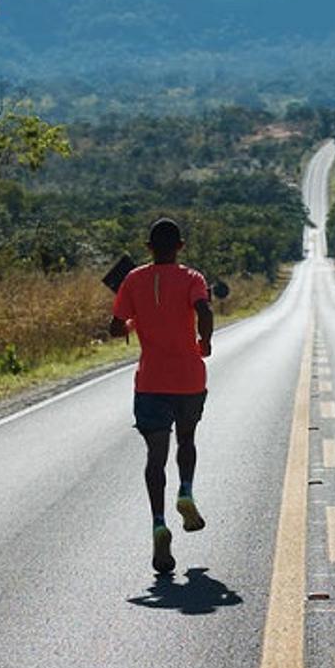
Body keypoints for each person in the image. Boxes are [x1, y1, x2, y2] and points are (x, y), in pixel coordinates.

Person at [110, 217, 215, 575]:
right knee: (187, 439)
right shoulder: (192, 278)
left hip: (151, 381)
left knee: (156, 456)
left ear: (149, 247)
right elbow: (204, 309)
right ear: (180, 246)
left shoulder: (133, 279)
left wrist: (128, 323)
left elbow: (115, 327)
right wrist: (206, 341)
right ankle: (185, 490)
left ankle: (158, 523)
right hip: (188, 378)